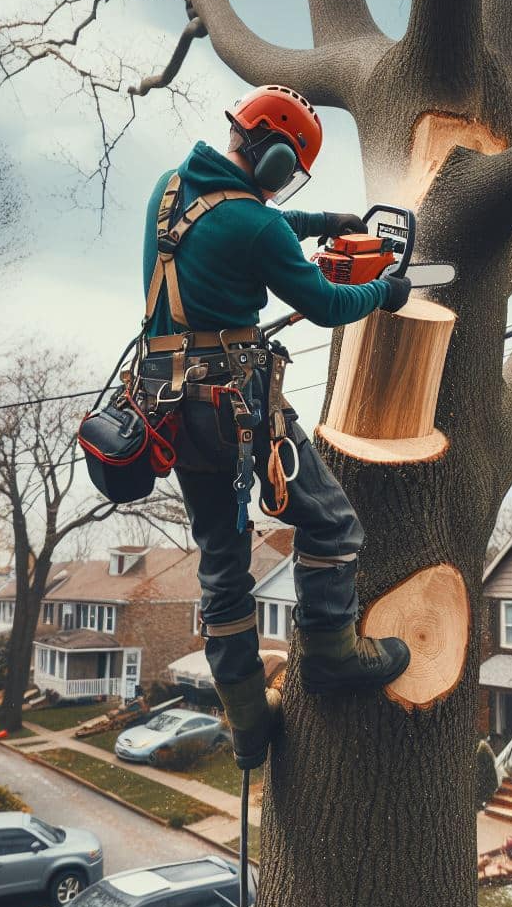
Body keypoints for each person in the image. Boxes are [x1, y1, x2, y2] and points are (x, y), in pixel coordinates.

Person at [141, 85, 412, 771]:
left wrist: (322, 220)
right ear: (277, 158)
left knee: (222, 559)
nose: (285, 185)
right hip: (233, 405)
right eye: (289, 173)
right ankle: (330, 652)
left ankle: (247, 725)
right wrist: (383, 291)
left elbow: (237, 219)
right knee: (331, 524)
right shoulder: (256, 226)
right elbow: (323, 302)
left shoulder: (171, 190)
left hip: (167, 399)